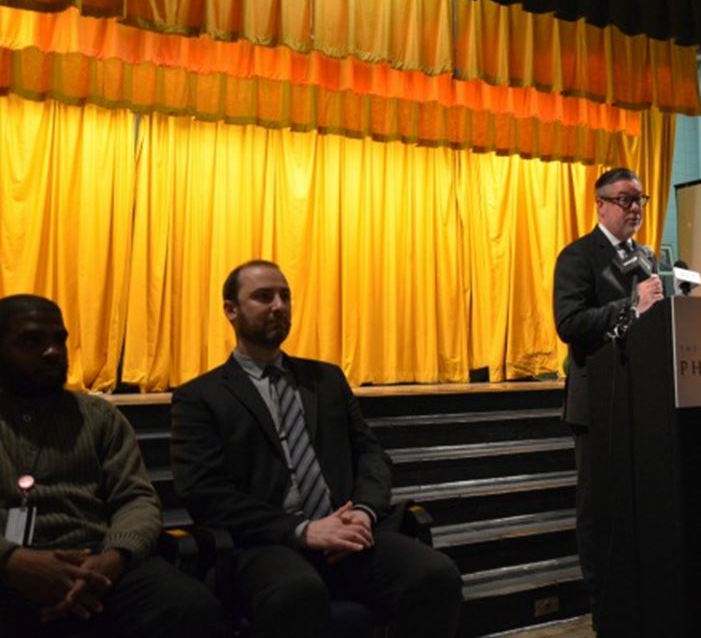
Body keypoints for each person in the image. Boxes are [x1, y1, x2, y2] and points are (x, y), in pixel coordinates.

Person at [170, 261, 461, 638]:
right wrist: (304, 530)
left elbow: (371, 455)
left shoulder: (326, 379)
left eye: (285, 296)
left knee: (436, 575)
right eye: (263, 296)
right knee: (297, 592)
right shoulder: (200, 397)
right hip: (266, 544)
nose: (279, 305)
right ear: (231, 310)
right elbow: (206, 493)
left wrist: (364, 512)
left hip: (347, 533)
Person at [0, 294, 220, 636]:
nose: (53, 351)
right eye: (31, 341)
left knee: (190, 605)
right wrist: (12, 560)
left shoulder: (99, 416)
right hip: (7, 568)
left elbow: (137, 499)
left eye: (60, 340)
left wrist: (114, 558)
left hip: (98, 561)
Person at [552, 168, 664, 612]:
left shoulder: (646, 256)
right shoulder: (578, 256)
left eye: (640, 199)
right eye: (624, 199)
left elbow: (652, 321)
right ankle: (605, 606)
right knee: (599, 511)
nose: (634, 207)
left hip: (645, 399)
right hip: (597, 404)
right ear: (599, 204)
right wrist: (629, 305)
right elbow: (570, 324)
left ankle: (642, 595)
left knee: (641, 504)